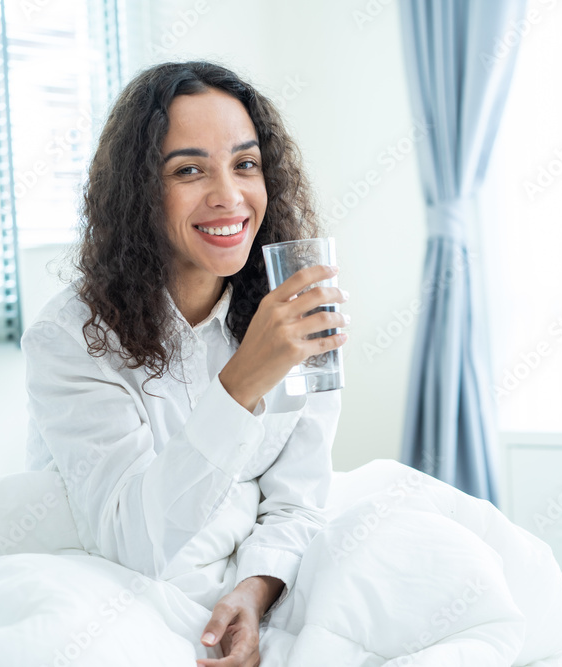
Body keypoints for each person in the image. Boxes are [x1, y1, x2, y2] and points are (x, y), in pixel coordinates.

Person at [21, 60, 349, 667]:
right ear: (139, 191)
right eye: (189, 170)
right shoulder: (67, 340)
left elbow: (300, 498)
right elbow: (133, 543)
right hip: (119, 596)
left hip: (255, 590)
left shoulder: (293, 307)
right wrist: (246, 378)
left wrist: (254, 593)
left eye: (245, 164)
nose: (229, 196)